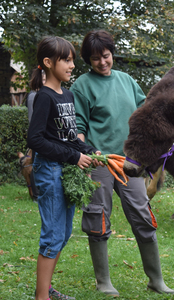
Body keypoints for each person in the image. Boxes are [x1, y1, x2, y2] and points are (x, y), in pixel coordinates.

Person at [70, 30, 174, 297]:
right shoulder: (82, 85)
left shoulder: (127, 80)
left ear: (112, 54)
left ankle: (156, 280)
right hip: (99, 161)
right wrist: (87, 153)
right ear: (88, 60)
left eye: (105, 56)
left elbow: (146, 113)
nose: (102, 62)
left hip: (129, 162)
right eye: (95, 59)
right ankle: (103, 281)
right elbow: (78, 126)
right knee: (97, 217)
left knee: (143, 216)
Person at [27, 36, 102, 300]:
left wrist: (89, 151)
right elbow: (35, 139)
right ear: (48, 63)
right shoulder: (44, 97)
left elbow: (69, 137)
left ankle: (45, 288)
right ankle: (41, 297)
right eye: (66, 60)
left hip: (65, 172)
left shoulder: (67, 95)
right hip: (49, 171)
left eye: (72, 60)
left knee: (64, 233)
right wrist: (73, 158)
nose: (72, 65)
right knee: (53, 234)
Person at [25, 71, 47, 202]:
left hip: (44, 137)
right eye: (43, 79)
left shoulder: (43, 94)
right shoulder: (33, 96)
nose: (45, 82)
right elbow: (33, 119)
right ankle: (36, 195)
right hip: (38, 137)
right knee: (35, 164)